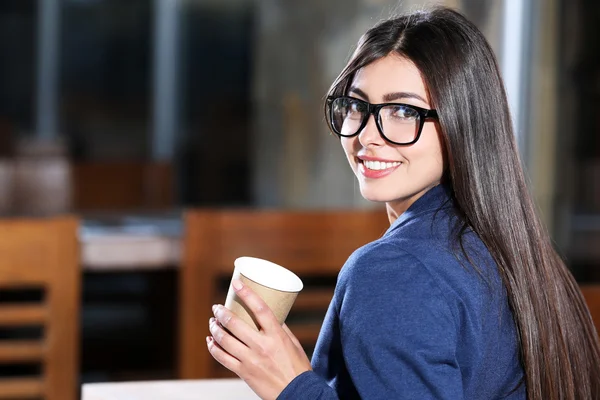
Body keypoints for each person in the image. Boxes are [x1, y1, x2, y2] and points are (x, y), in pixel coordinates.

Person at [207, 6, 600, 399]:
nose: (367, 136)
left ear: (461, 123)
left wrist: (290, 387)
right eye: (357, 105)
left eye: (402, 111)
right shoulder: (522, 255)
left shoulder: (393, 272)